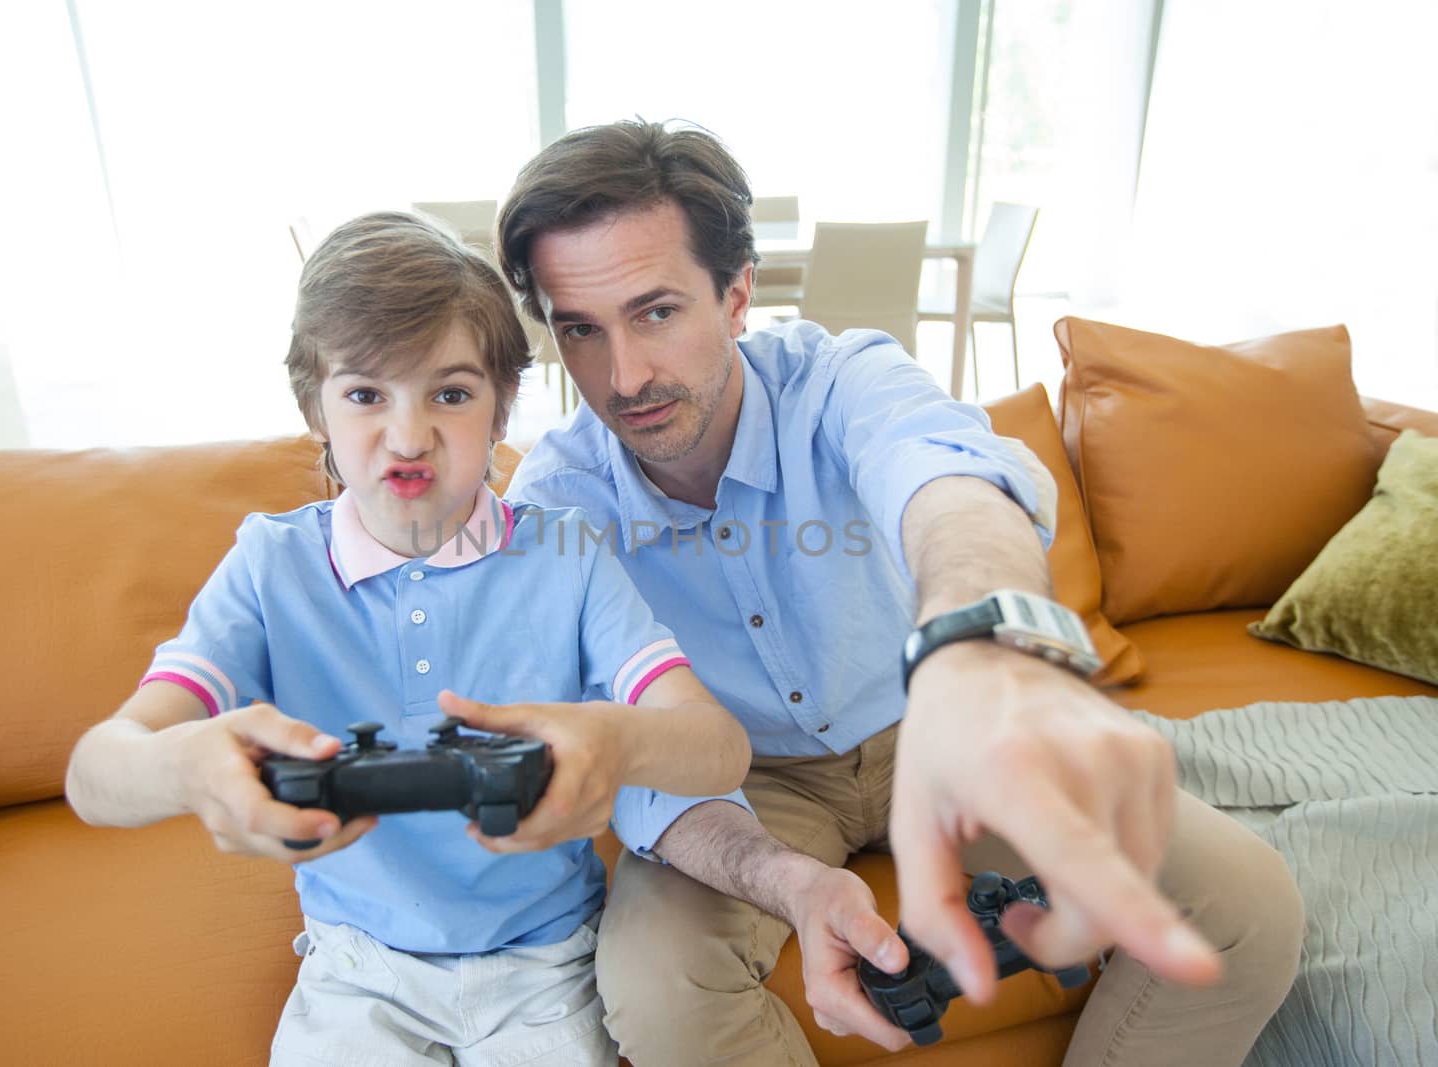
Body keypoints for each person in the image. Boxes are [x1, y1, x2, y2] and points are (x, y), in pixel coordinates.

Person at [488, 120, 1306, 1066]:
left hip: (938, 719)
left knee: (1243, 904)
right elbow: (623, 752)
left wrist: (973, 648)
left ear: (739, 294)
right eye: (581, 330)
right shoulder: (555, 504)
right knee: (659, 994)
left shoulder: (843, 382)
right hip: (735, 776)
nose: (624, 376)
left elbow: (950, 485)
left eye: (658, 311)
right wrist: (783, 878)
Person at [63, 210, 753, 1067]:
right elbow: (95, 772)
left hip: (547, 964)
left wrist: (617, 739)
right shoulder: (269, 564)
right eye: (364, 394)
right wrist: (186, 764)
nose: (407, 433)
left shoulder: (569, 553)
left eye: (451, 393)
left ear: (503, 408)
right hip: (358, 972)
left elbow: (717, 747)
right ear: (313, 405)